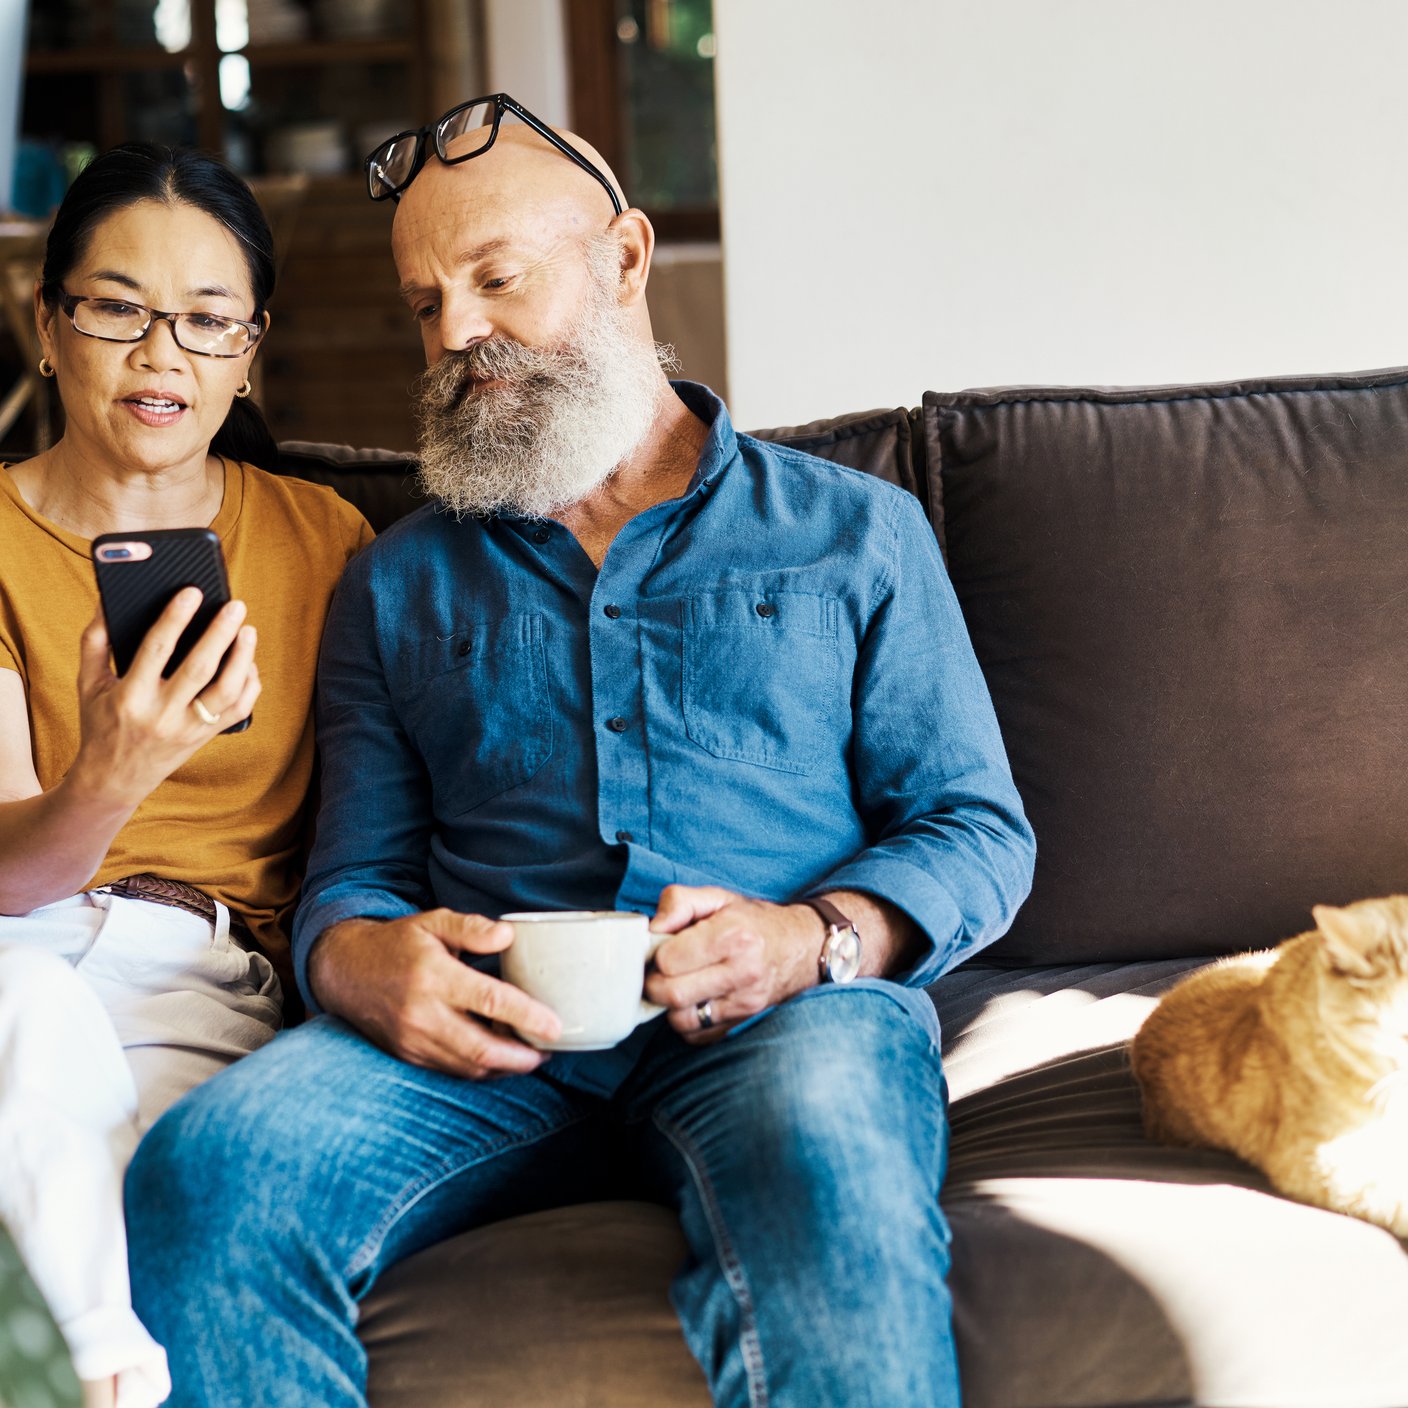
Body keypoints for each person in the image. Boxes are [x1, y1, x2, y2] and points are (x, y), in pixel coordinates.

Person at [125, 95, 1035, 1407]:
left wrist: (811, 939)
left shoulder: (857, 532)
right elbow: (355, 874)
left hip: (782, 1021)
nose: (457, 332)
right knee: (208, 1174)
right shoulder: (393, 583)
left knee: (829, 1164)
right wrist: (359, 960)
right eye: (425, 303)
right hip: (489, 1046)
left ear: (624, 259)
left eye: (496, 279)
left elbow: (976, 827)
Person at [0, 143, 372, 1408]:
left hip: (198, 981)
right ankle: (101, 1367)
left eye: (209, 320)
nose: (163, 354)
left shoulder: (323, 539)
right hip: (18, 949)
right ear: (45, 324)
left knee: (149, 1189)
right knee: (25, 999)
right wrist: (112, 773)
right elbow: (8, 879)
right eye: (118, 308)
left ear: (248, 352)